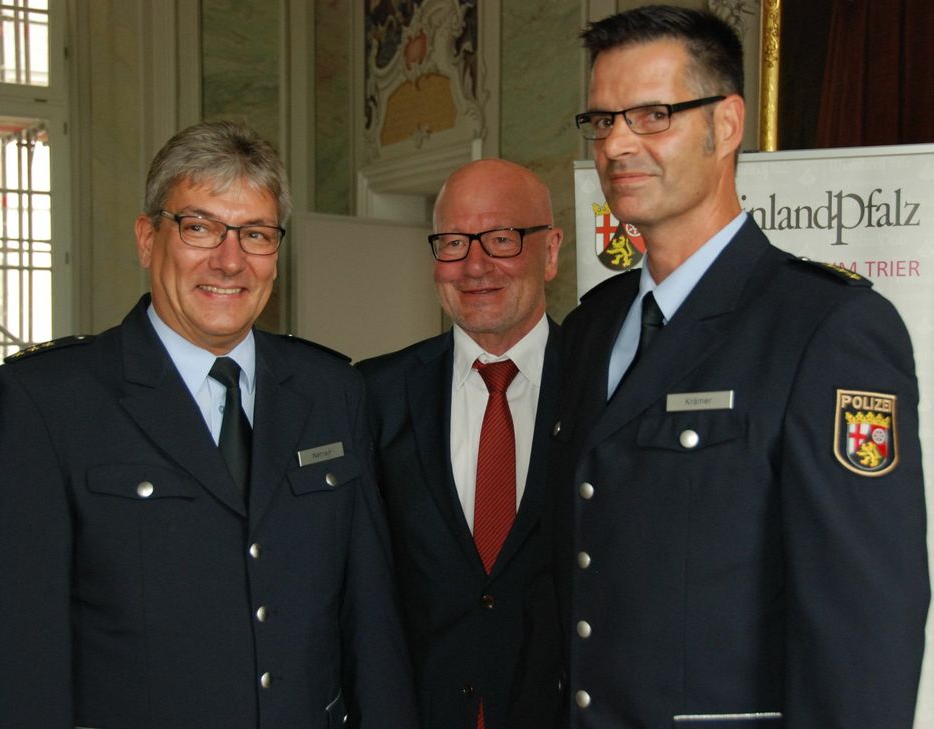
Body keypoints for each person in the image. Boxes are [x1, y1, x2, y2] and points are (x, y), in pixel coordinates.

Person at [551, 6, 929, 728]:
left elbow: (864, 626)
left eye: (652, 114)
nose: (617, 144)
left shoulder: (826, 327)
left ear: (725, 125)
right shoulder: (592, 326)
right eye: (601, 121)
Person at [0, 120, 418, 729]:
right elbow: (17, 653)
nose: (230, 260)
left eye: (256, 234)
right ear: (146, 239)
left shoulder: (330, 390)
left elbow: (369, 618)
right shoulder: (46, 401)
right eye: (200, 227)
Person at [358, 159, 564, 729]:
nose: (474, 265)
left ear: (549, 252)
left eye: (500, 239)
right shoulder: (372, 396)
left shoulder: (603, 392)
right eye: (452, 242)